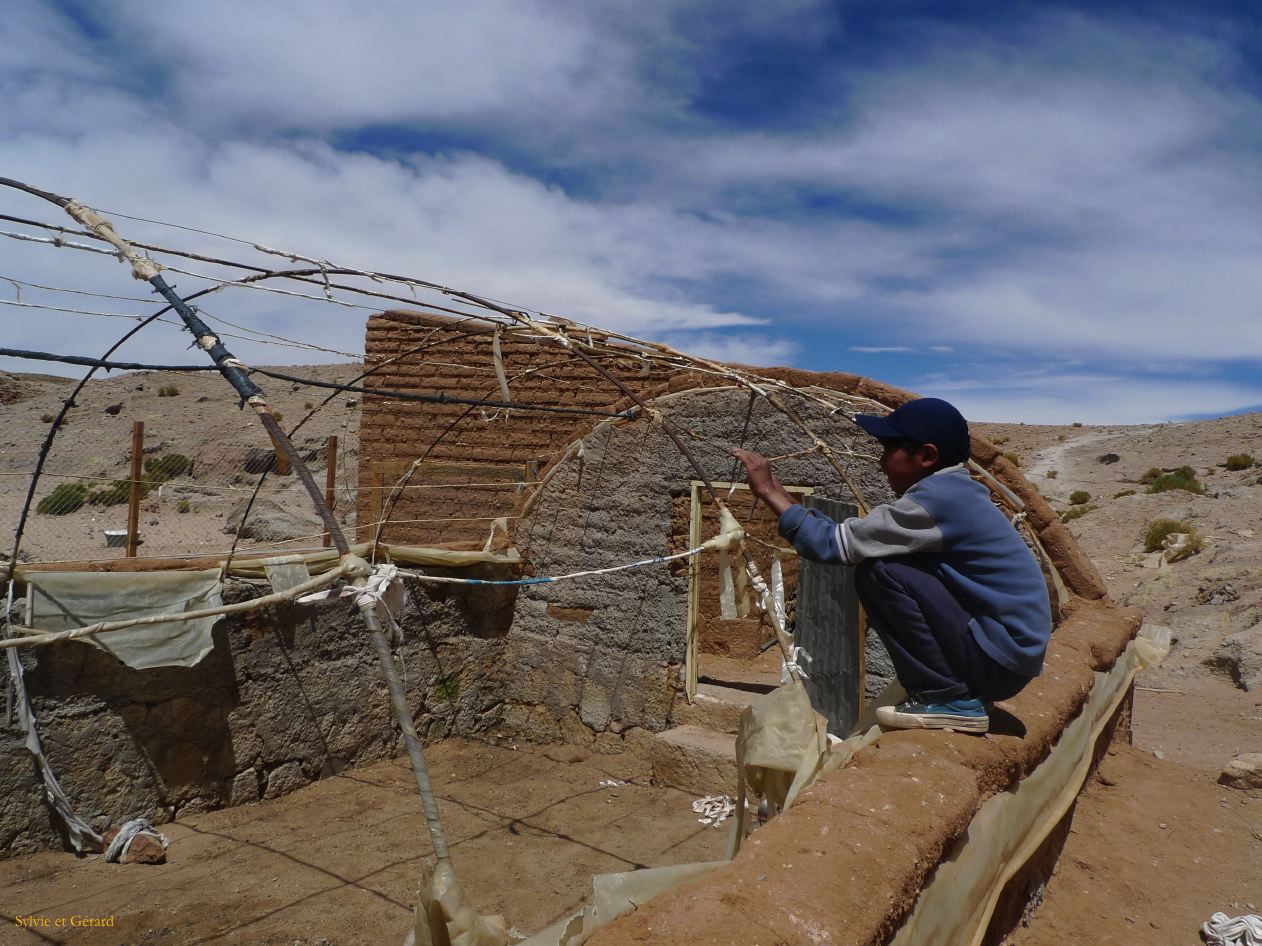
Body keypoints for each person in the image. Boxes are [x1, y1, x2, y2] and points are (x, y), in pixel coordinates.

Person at [732, 397, 1051, 734]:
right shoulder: (957, 492)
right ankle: (956, 692)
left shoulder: (936, 501)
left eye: (889, 451)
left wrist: (767, 490)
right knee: (886, 558)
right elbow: (849, 536)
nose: (882, 463)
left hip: (999, 663)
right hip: (1007, 659)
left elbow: (832, 545)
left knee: (880, 571)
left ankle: (948, 697)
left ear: (927, 456)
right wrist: (779, 490)